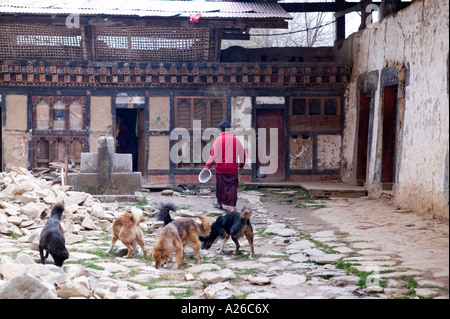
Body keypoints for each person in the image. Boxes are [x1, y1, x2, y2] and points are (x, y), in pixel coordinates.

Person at [203, 121, 246, 212]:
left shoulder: (218, 140)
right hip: (232, 168)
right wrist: (241, 165)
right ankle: (233, 207)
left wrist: (207, 166)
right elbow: (242, 154)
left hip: (221, 168)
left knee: (221, 187)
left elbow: (213, 155)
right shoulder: (236, 140)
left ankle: (219, 204)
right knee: (232, 187)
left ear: (220, 130)